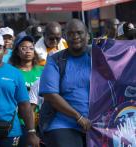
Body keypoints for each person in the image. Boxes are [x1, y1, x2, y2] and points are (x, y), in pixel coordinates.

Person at [39, 19, 91, 147]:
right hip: (63, 123)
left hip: (97, 123)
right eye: (71, 33)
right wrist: (78, 117)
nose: (75, 37)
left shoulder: (98, 56)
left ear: (88, 35)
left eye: (79, 32)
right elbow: (50, 95)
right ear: (65, 37)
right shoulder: (55, 60)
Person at [9, 35, 43, 147]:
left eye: (31, 48)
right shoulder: (12, 72)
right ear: (17, 52)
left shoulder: (43, 71)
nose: (28, 51)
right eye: (23, 48)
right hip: (21, 122)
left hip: (43, 121)